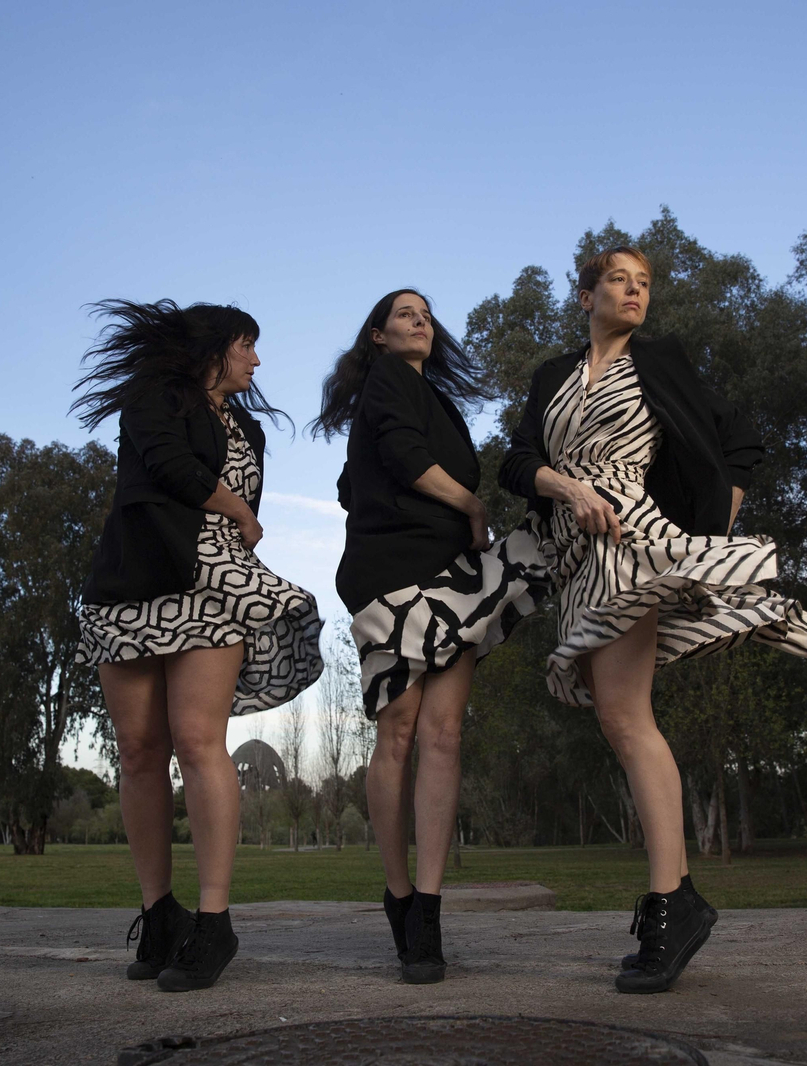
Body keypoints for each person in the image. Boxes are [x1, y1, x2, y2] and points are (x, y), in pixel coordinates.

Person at [499, 247, 807, 994]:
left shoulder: (660, 362)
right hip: (574, 551)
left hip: (630, 537)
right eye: (619, 280)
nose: (634, 292)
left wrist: (709, 533)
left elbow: (740, 443)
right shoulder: (553, 374)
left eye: (644, 284)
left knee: (628, 718)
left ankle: (671, 901)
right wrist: (567, 488)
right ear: (587, 294)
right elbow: (517, 460)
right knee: (618, 719)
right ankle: (678, 898)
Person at [72, 299, 323, 992]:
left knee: (197, 739)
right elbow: (169, 467)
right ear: (214, 348)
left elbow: (234, 507)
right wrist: (239, 509)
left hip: (214, 584)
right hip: (134, 583)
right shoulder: (153, 397)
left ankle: (214, 921)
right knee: (137, 749)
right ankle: (159, 914)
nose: (257, 360)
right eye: (248, 345)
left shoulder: (247, 428)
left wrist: (240, 521)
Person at [311, 289, 547, 984]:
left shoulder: (436, 399)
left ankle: (430, 910)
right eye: (405, 314)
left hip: (452, 573)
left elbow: (355, 479)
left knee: (445, 735)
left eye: (426, 315)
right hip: (392, 576)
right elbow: (400, 460)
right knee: (400, 732)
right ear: (378, 336)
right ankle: (399, 893)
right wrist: (471, 504)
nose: (421, 321)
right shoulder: (386, 381)